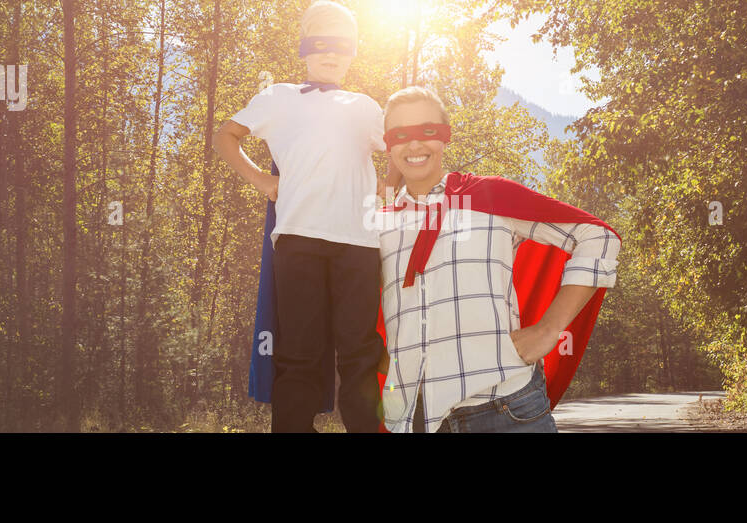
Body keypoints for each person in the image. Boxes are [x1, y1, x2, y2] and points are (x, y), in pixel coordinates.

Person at [374, 86, 623, 433]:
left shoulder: (488, 196)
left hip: (506, 410)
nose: (414, 145)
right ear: (389, 145)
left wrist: (549, 329)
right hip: (414, 419)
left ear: (445, 137)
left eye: (427, 131)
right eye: (401, 134)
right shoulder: (377, 225)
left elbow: (598, 236)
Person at [214, 0, 386, 432]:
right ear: (304, 48)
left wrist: (390, 186)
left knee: (360, 351)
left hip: (359, 243)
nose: (332, 54)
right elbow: (226, 136)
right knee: (300, 353)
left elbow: (398, 147)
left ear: (353, 52)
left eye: (343, 46)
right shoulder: (278, 97)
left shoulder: (365, 105)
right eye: (322, 43)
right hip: (298, 239)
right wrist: (261, 181)